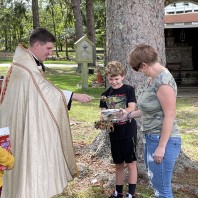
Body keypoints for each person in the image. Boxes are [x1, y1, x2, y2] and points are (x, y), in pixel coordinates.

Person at [0, 27, 91, 198]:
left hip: (18, 122)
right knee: (22, 166)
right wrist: (74, 96)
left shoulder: (25, 62)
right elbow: (45, 91)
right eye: (48, 48)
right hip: (18, 124)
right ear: (36, 45)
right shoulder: (26, 69)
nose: (50, 53)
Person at [127, 44, 181, 198]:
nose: (139, 73)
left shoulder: (163, 83)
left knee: (163, 190)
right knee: (157, 185)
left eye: (137, 69)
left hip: (162, 140)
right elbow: (148, 109)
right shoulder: (153, 78)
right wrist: (126, 115)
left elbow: (169, 115)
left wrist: (161, 147)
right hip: (151, 137)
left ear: (144, 65)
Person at [99, 61, 137, 198]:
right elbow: (103, 113)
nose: (114, 82)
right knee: (118, 163)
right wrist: (103, 122)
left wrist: (124, 111)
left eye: (116, 79)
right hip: (114, 133)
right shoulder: (105, 94)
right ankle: (118, 192)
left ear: (122, 77)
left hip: (128, 131)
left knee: (131, 163)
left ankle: (131, 193)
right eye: (111, 79)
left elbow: (132, 107)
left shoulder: (128, 90)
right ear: (107, 78)